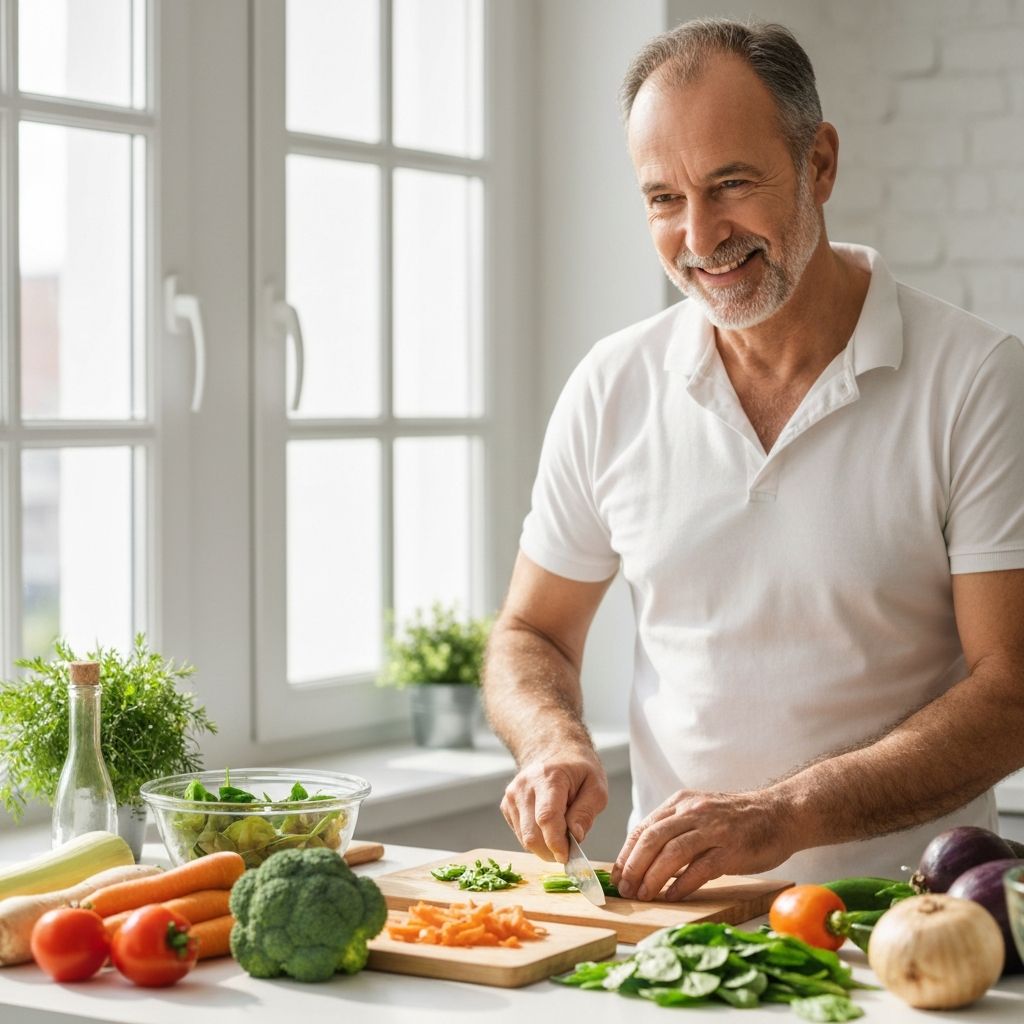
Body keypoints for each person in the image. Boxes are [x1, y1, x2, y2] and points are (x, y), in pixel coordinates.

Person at [482, 18, 1024, 900]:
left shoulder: (976, 379)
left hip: (909, 925)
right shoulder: (611, 385)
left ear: (820, 164)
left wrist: (785, 814)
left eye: (730, 184)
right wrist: (551, 740)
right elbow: (531, 633)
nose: (700, 237)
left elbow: (1014, 691)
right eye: (664, 198)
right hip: (675, 929)